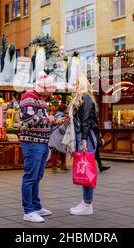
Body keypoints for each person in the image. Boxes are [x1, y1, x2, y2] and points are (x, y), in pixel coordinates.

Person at [19, 72, 61, 223]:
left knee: (37, 177)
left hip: (41, 142)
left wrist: (55, 121)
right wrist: (48, 119)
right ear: (42, 87)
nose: (50, 94)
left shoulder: (41, 99)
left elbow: (41, 121)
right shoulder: (28, 97)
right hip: (32, 142)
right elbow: (29, 119)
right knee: (30, 177)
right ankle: (28, 210)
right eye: (49, 91)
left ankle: (36, 207)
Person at [70, 74, 100, 216]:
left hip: (86, 136)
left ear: (81, 84)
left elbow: (86, 120)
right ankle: (86, 202)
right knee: (83, 167)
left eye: (75, 84)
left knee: (86, 168)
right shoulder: (81, 99)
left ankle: (87, 204)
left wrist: (83, 140)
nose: (73, 86)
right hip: (83, 136)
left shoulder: (86, 98)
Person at [51, 104, 69, 173]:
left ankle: (54, 167)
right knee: (63, 150)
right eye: (66, 109)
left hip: (54, 134)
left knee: (54, 150)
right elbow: (62, 128)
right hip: (59, 135)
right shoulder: (63, 116)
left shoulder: (56, 115)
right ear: (64, 109)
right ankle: (63, 165)